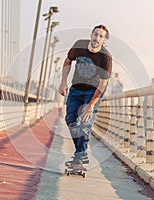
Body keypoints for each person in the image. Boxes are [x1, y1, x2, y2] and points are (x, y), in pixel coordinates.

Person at [59, 24, 112, 169]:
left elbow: (102, 85)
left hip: (93, 92)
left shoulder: (105, 57)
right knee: (70, 120)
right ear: (91, 35)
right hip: (76, 88)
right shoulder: (80, 45)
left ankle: (80, 157)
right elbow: (68, 61)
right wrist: (63, 82)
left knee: (84, 124)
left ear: (104, 39)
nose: (97, 38)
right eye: (95, 34)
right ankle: (81, 153)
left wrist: (91, 105)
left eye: (101, 36)